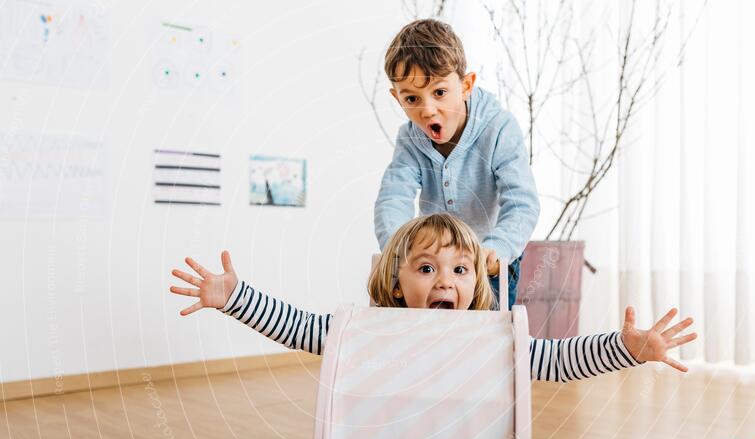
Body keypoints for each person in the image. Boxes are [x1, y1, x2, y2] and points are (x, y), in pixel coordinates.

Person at [170, 214, 696, 381]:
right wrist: (236, 297)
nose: (445, 279)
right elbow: (301, 327)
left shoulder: (493, 335)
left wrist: (628, 348)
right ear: (397, 284)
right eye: (427, 267)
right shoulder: (372, 328)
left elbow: (556, 361)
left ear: (476, 283)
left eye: (460, 268)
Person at [374, 19, 540, 308]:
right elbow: (393, 197)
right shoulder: (410, 139)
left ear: (466, 86)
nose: (427, 110)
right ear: (397, 98)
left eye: (439, 93)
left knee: (491, 338)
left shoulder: (498, 129)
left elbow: (523, 202)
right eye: (412, 98)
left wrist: (497, 248)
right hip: (435, 262)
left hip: (489, 259)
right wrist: (397, 250)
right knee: (431, 332)